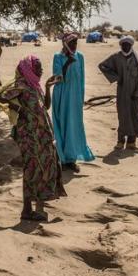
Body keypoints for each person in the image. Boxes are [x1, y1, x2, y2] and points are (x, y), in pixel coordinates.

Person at [0, 55, 66, 222]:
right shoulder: (21, 86)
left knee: (43, 167)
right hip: (29, 136)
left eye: (41, 68)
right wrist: (19, 110)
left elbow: (46, 107)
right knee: (31, 169)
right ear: (29, 68)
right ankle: (27, 210)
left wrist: (48, 87)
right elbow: (0, 97)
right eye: (38, 67)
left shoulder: (35, 86)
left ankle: (38, 204)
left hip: (42, 136)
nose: (41, 70)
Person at [52, 32, 95, 172]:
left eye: (76, 43)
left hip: (75, 97)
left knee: (74, 126)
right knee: (62, 125)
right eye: (71, 43)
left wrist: (81, 98)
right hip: (62, 96)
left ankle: (72, 159)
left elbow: (81, 79)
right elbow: (57, 78)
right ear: (65, 44)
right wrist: (67, 64)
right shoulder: (58, 57)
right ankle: (62, 159)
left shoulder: (80, 57)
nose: (74, 46)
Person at [98, 35, 138, 150]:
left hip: (134, 94)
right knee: (123, 116)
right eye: (123, 45)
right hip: (122, 92)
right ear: (121, 46)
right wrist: (116, 77)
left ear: (131, 46)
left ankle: (131, 143)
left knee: (134, 116)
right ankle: (120, 141)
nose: (125, 47)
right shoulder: (116, 57)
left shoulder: (135, 58)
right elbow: (102, 66)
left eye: (127, 45)